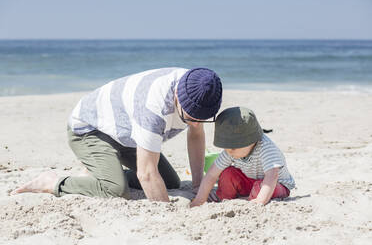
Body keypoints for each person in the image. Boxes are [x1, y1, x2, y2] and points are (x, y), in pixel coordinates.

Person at [12, 67, 223, 202]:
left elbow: (196, 134)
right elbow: (146, 174)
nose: (195, 123)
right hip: (89, 129)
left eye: (202, 118)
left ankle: (101, 172)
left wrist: (197, 185)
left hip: (126, 133)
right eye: (190, 116)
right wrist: (166, 213)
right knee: (116, 190)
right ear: (178, 95)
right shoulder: (154, 107)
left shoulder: (199, 85)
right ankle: (51, 182)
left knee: (170, 183)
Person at [190, 107, 295, 207]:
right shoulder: (230, 150)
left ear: (251, 140)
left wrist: (260, 201)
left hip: (276, 185)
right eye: (226, 147)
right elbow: (212, 174)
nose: (229, 151)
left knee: (260, 187)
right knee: (227, 173)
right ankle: (225, 199)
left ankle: (251, 200)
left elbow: (272, 177)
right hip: (249, 181)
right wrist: (200, 199)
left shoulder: (266, 148)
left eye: (233, 147)